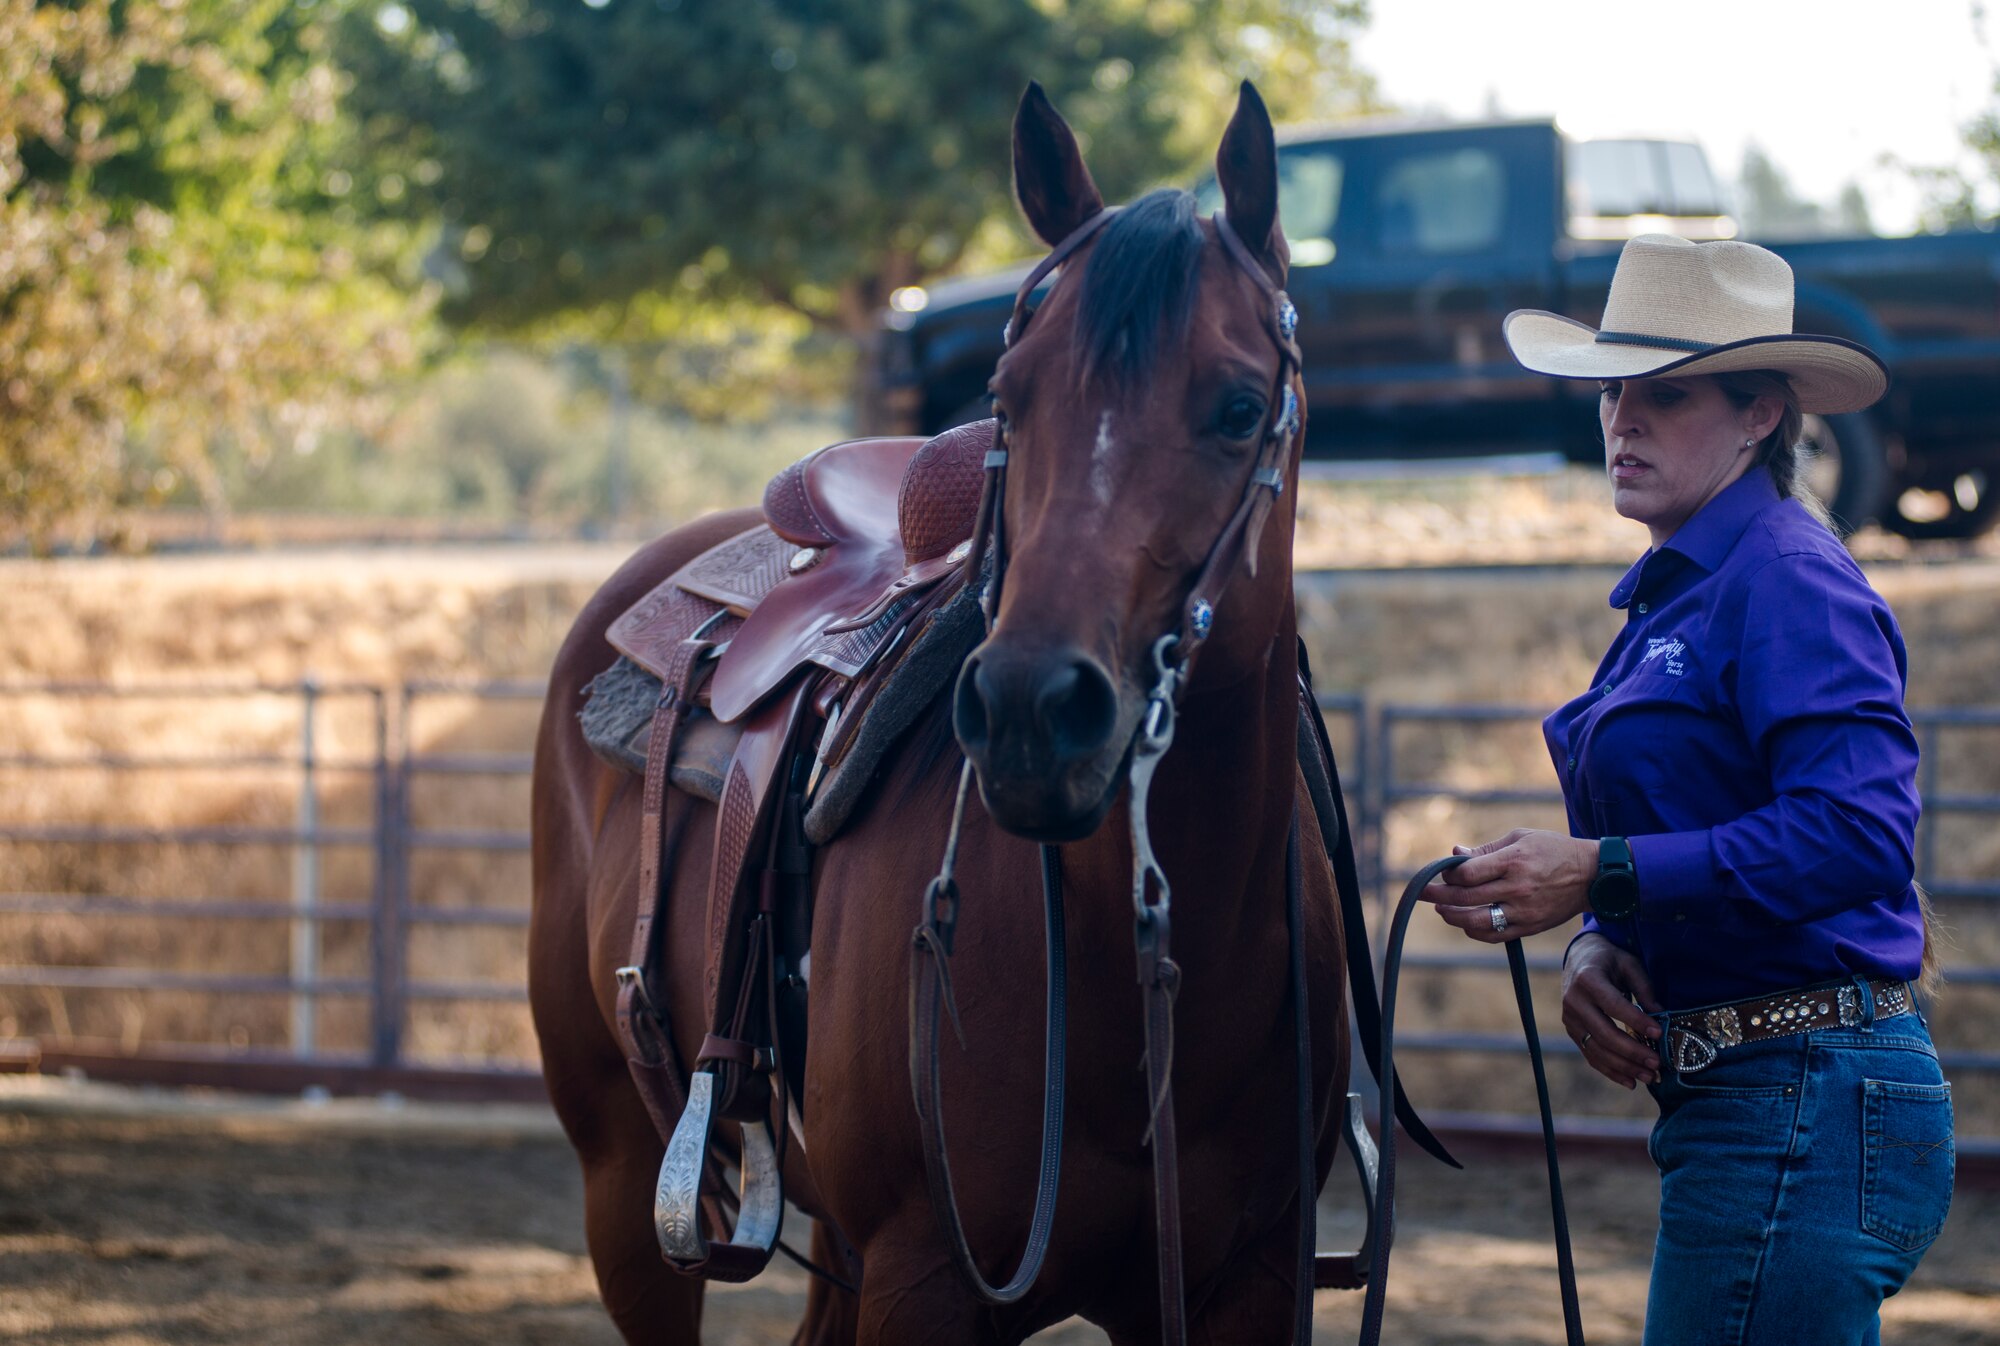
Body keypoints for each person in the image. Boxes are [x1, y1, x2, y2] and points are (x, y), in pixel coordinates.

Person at [1426, 234, 1954, 1345]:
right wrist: (1596, 940)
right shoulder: (1687, 593)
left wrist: (1597, 872)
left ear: (1758, 410)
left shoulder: (1784, 577)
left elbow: (1858, 832)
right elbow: (1701, 827)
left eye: (1661, 393)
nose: (1619, 418)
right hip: (1764, 1096)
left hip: (1799, 1096)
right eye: (1610, 389)